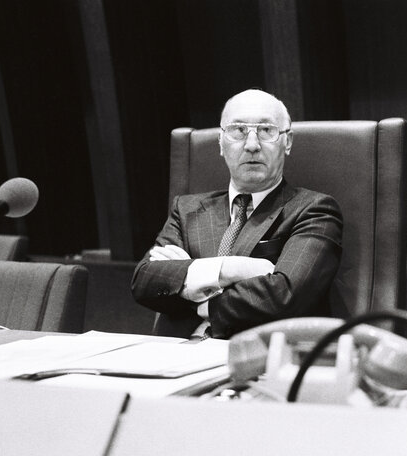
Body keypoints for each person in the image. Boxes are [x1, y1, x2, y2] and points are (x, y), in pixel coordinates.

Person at [132, 89, 343, 339]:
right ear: (221, 143)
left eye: (266, 131)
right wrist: (233, 268)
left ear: (287, 142)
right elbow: (145, 281)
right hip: (175, 355)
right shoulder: (186, 209)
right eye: (238, 130)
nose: (252, 145)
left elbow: (284, 295)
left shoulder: (314, 210)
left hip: (255, 361)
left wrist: (194, 289)